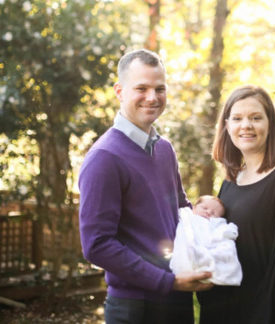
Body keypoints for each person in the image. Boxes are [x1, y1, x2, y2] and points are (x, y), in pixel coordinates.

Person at [78, 49, 213, 324]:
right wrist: (167, 281)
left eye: (159, 89)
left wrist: (212, 225)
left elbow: (179, 211)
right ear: (120, 91)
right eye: (141, 88)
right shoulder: (104, 158)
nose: (152, 97)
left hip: (176, 297)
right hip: (135, 308)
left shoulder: (164, 149)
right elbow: (97, 245)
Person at [197, 85, 275, 323]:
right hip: (220, 312)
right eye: (237, 118)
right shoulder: (229, 182)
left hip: (263, 315)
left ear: (270, 124)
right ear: (227, 126)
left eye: (256, 118)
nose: (246, 125)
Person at [169, 196, 243, 286]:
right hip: (187, 246)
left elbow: (224, 231)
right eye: (205, 208)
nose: (208, 212)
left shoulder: (215, 224)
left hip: (205, 247)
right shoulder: (187, 216)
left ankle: (203, 262)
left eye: (214, 213)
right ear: (194, 207)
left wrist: (227, 231)